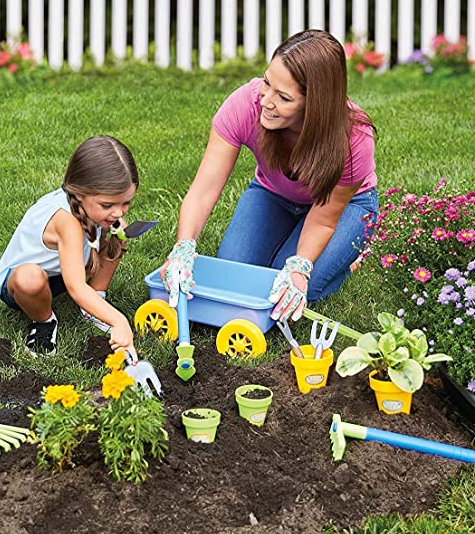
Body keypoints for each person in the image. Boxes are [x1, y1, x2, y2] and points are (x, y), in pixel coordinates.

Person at [162, 29, 378, 321]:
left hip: (343, 209)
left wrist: (300, 266)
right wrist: (184, 245)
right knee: (234, 279)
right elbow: (203, 189)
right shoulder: (245, 104)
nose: (265, 100)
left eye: (284, 97)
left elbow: (324, 218)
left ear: (315, 104)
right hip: (274, 195)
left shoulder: (354, 137)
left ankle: (349, 259)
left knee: (286, 290)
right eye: (267, 82)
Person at [0, 136, 139, 358]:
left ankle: (95, 302)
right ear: (79, 193)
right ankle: (44, 321)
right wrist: (119, 321)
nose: (118, 212)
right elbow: (76, 287)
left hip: (60, 273)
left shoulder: (87, 207)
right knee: (29, 278)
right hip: (22, 285)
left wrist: (111, 230)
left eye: (126, 203)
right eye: (107, 205)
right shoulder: (65, 220)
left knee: (118, 232)